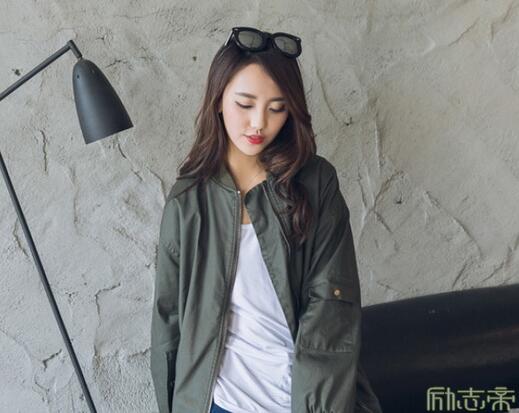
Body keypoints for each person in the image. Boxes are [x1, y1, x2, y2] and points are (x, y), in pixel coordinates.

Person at [150, 26, 383, 413]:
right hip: (218, 402)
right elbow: (168, 321)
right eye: (245, 104)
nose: (259, 123)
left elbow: (332, 310)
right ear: (218, 100)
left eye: (277, 108)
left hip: (301, 400)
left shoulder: (315, 183)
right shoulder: (188, 202)